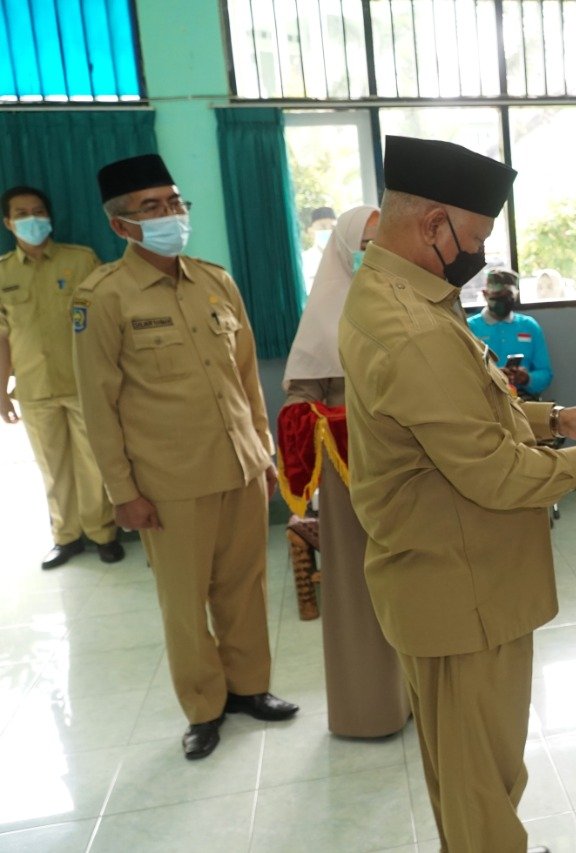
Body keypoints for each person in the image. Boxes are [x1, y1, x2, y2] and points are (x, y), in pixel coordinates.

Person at [338, 135, 576, 853]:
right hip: (462, 585)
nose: (480, 254)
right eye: (474, 236)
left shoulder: (397, 293)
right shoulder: (413, 328)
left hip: (446, 576)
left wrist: (558, 418)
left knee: (470, 772)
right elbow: (488, 468)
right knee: (481, 778)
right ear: (433, 223)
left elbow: (460, 413)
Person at [74, 154, 298, 761]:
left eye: (175, 202)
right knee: (184, 601)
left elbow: (246, 377)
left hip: (241, 467)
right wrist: (123, 491)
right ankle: (204, 708)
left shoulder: (215, 281)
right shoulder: (103, 298)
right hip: (169, 483)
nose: (171, 214)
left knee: (244, 587)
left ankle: (251, 688)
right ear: (122, 226)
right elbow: (98, 406)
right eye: (153, 207)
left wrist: (265, 452)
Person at [279, 204, 411, 738]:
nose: (372, 254)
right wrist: (335, 420)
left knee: (415, 581)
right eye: (365, 242)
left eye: (384, 242)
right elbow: (297, 402)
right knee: (359, 589)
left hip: (409, 469)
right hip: (350, 475)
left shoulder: (409, 302)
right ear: (344, 250)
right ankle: (370, 710)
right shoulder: (323, 313)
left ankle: (421, 699)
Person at [0, 185, 121, 569]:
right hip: (35, 389)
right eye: (21, 213)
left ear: (50, 217)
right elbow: (2, 338)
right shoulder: (2, 272)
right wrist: (1, 392)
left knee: (93, 462)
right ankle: (65, 537)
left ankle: (102, 533)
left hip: (83, 383)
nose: (30, 219)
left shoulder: (81, 260)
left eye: (37, 211)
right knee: (52, 468)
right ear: (8, 222)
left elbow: (106, 322)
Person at [467, 267, 553, 399]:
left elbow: (545, 373)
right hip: (485, 399)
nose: (503, 301)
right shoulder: (470, 327)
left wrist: (527, 378)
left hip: (523, 399)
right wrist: (494, 377)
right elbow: (463, 374)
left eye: (508, 296)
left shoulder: (529, 326)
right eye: (497, 297)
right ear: (485, 294)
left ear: (516, 295)